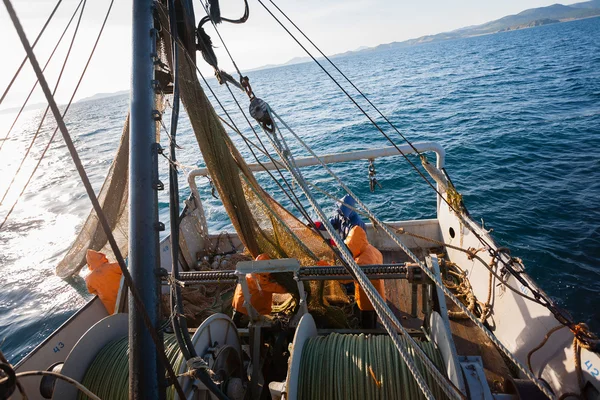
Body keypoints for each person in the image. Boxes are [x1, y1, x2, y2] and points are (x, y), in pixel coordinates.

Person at [343, 225, 385, 328]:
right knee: (374, 313)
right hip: (378, 291)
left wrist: (326, 267)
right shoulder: (371, 248)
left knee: (367, 320)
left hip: (367, 297)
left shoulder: (361, 262)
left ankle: (368, 335)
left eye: (350, 246)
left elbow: (345, 278)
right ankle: (373, 327)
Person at [232, 254, 288, 324]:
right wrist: (290, 287)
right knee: (239, 328)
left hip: (240, 305)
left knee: (235, 326)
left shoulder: (252, 272)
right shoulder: (259, 280)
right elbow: (277, 288)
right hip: (246, 309)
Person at [84, 249, 123, 314]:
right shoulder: (112, 266)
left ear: (89, 264)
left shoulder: (89, 279)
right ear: (101, 256)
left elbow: (92, 291)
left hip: (114, 309)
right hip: (128, 298)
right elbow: (127, 272)